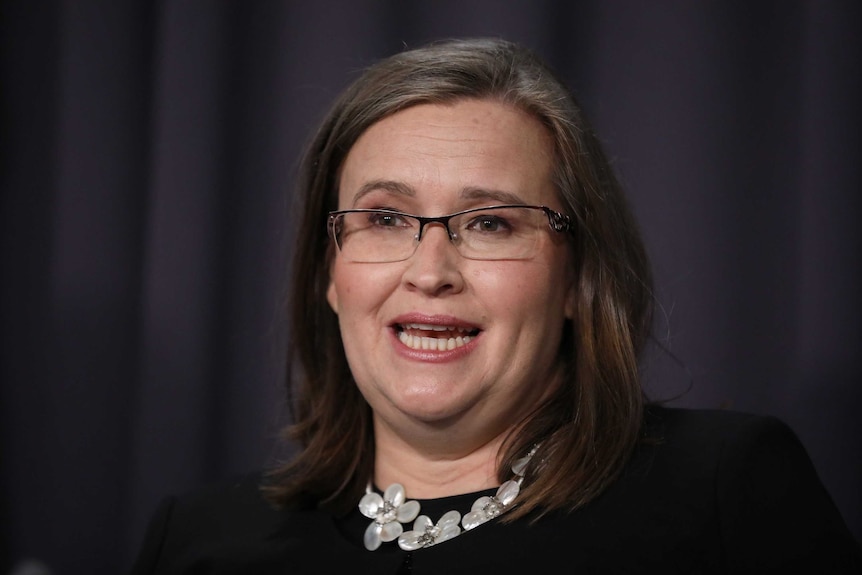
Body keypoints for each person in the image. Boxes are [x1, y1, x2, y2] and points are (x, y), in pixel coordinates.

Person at [130, 37, 861, 574]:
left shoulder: (722, 494)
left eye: (490, 223)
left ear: (577, 276)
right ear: (330, 270)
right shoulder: (198, 538)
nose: (430, 271)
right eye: (385, 218)